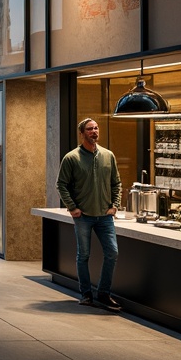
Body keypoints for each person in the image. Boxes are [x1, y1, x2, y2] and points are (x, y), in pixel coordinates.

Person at [56, 117, 122, 310]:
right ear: (82, 133)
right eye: (90, 129)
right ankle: (86, 294)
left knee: (112, 253)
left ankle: (103, 293)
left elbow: (116, 183)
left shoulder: (108, 155)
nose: (94, 131)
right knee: (83, 255)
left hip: (105, 216)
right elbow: (61, 184)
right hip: (83, 216)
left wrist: (115, 205)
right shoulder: (72, 158)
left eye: (96, 128)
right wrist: (72, 207)